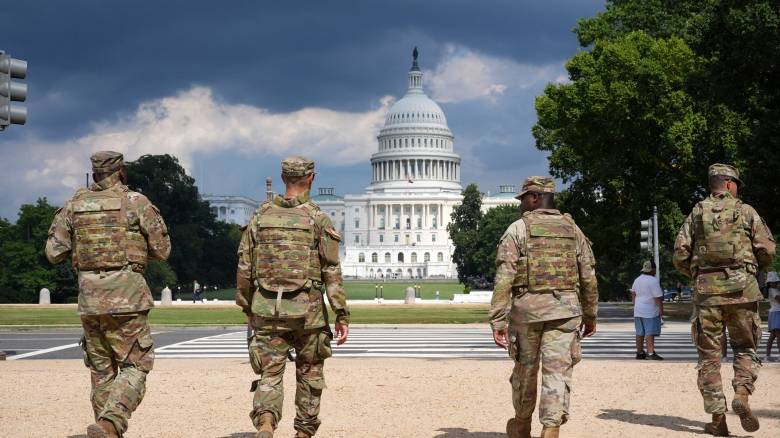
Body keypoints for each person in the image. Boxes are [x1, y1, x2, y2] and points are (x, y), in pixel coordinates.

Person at [45, 151, 171, 438]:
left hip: (90, 299)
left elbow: (54, 253)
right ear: (121, 171)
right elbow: (162, 250)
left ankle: (107, 431)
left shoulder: (74, 205)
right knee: (136, 365)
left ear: (95, 172)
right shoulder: (135, 202)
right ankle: (111, 421)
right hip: (127, 296)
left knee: (101, 370)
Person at [236, 156, 349, 438]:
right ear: (311, 178)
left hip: (267, 308)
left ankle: (266, 422)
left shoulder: (260, 217)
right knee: (310, 375)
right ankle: (303, 432)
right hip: (308, 312)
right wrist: (341, 312)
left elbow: (244, 267)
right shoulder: (317, 218)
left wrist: (247, 306)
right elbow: (330, 271)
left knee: (270, 374)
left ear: (283, 177)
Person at [489, 176, 598, 438]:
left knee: (525, 370)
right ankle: (551, 428)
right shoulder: (573, 230)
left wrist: (498, 320)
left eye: (524, 198)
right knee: (557, 372)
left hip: (528, 311)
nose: (520, 203)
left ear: (536, 197)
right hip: (565, 312)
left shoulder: (518, 229)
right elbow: (589, 277)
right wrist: (591, 314)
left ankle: (522, 424)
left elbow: (504, 277)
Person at [673, 163, 775, 436]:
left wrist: (698, 275)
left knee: (709, 358)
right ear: (730, 184)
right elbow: (767, 249)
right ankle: (741, 393)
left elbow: (680, 254)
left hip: (707, 295)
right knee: (746, 347)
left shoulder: (696, 213)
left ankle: (718, 420)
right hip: (743, 291)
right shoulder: (746, 211)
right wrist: (752, 270)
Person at [631, 260, 664, 360]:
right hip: (650, 311)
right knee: (649, 332)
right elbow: (658, 298)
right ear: (653, 269)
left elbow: (633, 293)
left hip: (638, 310)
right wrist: (661, 311)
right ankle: (650, 353)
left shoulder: (637, 279)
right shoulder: (653, 281)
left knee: (640, 332)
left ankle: (639, 352)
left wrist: (636, 305)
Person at [766, 272, 780, 362]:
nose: (775, 283)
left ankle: (767, 355)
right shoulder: (773, 290)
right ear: (770, 283)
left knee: (773, 336)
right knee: (778, 335)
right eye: (773, 282)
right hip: (776, 312)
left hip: (775, 312)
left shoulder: (776, 290)